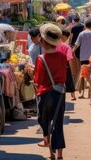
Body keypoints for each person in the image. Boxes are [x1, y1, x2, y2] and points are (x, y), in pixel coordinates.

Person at [34, 23, 67, 160]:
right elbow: (64, 76)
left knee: (45, 120)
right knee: (58, 122)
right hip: (59, 93)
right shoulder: (62, 56)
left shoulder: (41, 59)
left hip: (45, 93)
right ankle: (59, 154)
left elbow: (39, 80)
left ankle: (50, 152)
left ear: (44, 42)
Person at [73, 20, 91, 98]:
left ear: (85, 25)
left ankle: (82, 93)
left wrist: (72, 52)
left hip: (83, 57)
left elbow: (76, 44)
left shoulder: (81, 34)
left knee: (83, 75)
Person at [57, 29, 77, 101]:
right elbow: (69, 57)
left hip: (55, 64)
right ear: (64, 36)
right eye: (67, 37)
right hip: (65, 64)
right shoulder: (66, 46)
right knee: (69, 79)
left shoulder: (53, 44)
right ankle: (73, 95)